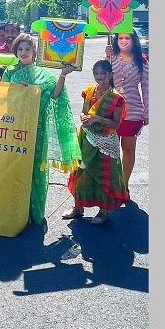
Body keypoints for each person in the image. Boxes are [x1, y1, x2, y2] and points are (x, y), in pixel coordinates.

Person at [1, 34, 80, 225]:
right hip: (15, 127)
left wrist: (62, 75)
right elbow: (1, 97)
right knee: (14, 168)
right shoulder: (9, 72)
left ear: (34, 51)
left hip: (36, 128)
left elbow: (55, 95)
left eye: (27, 49)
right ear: (15, 51)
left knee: (35, 169)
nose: (23, 52)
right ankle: (13, 211)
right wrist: (16, 90)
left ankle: (33, 212)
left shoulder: (43, 75)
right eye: (20, 49)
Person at [63, 60, 130, 224]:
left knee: (103, 174)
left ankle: (103, 212)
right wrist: (84, 117)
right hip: (86, 138)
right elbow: (83, 112)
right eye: (96, 73)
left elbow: (116, 124)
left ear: (110, 74)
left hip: (104, 142)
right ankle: (78, 207)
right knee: (81, 173)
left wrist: (98, 119)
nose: (99, 77)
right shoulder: (88, 92)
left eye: (103, 73)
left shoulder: (117, 99)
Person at [105, 30, 149, 191]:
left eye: (127, 38)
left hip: (133, 111)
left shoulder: (142, 61)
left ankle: (124, 185)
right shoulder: (112, 57)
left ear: (134, 40)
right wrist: (107, 56)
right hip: (111, 109)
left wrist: (148, 112)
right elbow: (102, 77)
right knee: (110, 149)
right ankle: (112, 183)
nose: (124, 41)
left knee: (128, 149)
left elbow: (147, 88)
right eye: (121, 38)